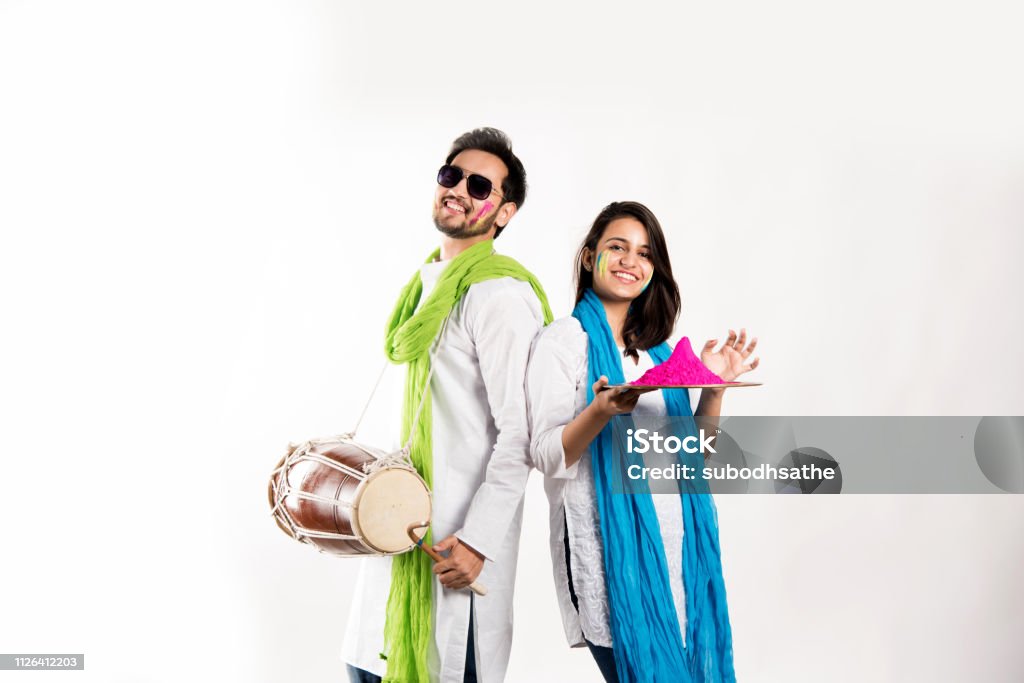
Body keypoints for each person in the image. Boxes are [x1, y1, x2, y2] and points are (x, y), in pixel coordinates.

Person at [342, 128, 552, 683]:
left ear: (503, 213)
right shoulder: (423, 289)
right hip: (393, 550)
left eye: (479, 184)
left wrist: (480, 541)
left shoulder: (501, 297)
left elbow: (522, 434)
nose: (458, 188)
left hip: (455, 559)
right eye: (450, 175)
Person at [526, 201, 758, 682]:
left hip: (678, 562)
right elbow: (546, 455)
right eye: (618, 247)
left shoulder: (659, 355)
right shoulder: (563, 342)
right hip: (612, 565)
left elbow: (696, 463)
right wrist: (600, 411)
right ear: (590, 258)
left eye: (645, 253)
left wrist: (713, 390)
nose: (631, 261)